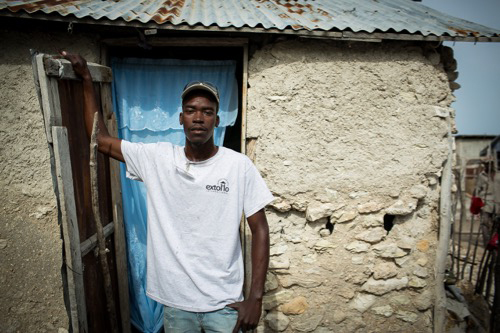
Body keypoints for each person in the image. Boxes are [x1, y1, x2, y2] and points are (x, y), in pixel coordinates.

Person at [60, 51, 274, 332]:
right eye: (191, 110)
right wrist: (87, 79)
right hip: (176, 304)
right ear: (180, 118)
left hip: (224, 304)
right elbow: (99, 140)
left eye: (207, 112)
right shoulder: (158, 158)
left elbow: (259, 229)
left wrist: (255, 299)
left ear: (217, 121)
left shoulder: (238, 166)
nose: (199, 118)